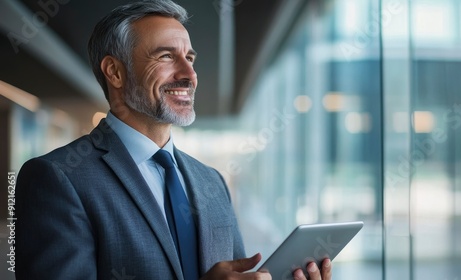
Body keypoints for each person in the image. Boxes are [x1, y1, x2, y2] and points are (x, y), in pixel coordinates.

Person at [15, 0, 332, 279]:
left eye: (190, 58)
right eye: (166, 56)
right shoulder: (56, 178)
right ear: (114, 71)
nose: (188, 74)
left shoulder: (212, 181)